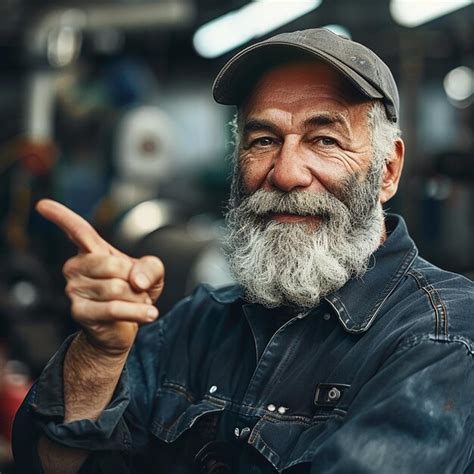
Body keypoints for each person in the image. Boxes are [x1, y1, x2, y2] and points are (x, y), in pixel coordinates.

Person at [13, 28, 474, 473]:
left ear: (388, 171)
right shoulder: (196, 324)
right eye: (264, 140)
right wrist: (98, 355)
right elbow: (53, 464)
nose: (287, 172)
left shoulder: (440, 336)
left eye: (325, 140)